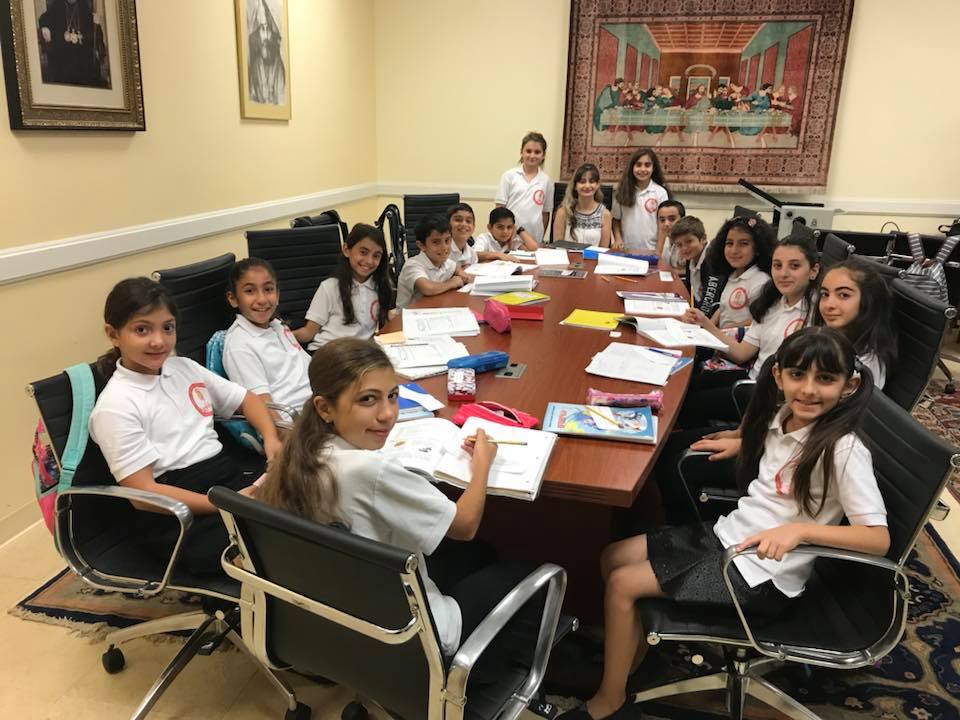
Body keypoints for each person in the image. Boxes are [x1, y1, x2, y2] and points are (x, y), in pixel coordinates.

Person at [560, 328, 889, 720]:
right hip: (730, 536)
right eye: (798, 375)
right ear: (778, 375)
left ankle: (610, 700)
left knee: (622, 583)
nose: (808, 389)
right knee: (613, 556)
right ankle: (632, 659)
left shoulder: (843, 449)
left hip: (762, 577)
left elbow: (877, 538)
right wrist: (742, 443)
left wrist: (799, 530)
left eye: (826, 378)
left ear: (849, 385)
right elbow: (780, 460)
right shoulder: (785, 416)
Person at [257, 338, 543, 675]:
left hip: (347, 618)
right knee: (526, 570)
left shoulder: (298, 453)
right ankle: (498, 675)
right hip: (415, 640)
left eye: (392, 396)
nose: (388, 414)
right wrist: (482, 464)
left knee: (478, 555)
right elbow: (464, 526)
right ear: (325, 409)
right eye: (367, 400)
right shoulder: (368, 471)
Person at [89, 278, 281, 576]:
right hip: (178, 515)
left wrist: (271, 439)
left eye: (168, 328)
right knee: (274, 553)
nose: (159, 341)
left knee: (312, 500)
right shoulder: (116, 405)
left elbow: (248, 400)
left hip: (226, 480)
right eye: (142, 330)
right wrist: (223, 504)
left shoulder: (183, 368)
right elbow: (143, 494)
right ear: (114, 334)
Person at [679, 236, 820, 426]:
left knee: (688, 405)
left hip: (769, 396)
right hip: (752, 379)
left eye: (794, 266)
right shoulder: (772, 303)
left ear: (813, 271)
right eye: (777, 266)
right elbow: (741, 353)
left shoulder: (818, 313)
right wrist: (705, 322)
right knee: (686, 386)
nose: (783, 273)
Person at [222, 258, 311, 413]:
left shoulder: (278, 326)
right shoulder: (239, 345)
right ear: (233, 299)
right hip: (295, 419)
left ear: (278, 294)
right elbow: (263, 408)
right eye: (250, 291)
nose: (262, 299)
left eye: (268, 289)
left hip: (318, 403)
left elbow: (307, 366)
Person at [295, 224, 393, 351]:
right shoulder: (329, 287)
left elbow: (383, 326)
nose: (369, 261)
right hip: (327, 351)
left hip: (360, 353)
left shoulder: (380, 287)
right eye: (363, 252)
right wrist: (280, 335)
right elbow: (308, 332)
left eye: (376, 255)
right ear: (346, 250)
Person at [813, 258, 896, 390]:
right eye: (825, 294)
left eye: (844, 295)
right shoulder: (832, 341)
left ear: (868, 302)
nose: (829, 305)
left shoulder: (863, 368)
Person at [699, 216, 775, 328]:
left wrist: (721, 331)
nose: (734, 250)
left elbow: (758, 321)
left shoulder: (760, 282)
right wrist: (707, 325)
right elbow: (724, 307)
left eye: (743, 243)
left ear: (758, 248)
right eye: (729, 243)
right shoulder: (734, 274)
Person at [395, 215, 469, 309]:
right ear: (421, 245)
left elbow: (455, 267)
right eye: (436, 242)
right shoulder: (412, 265)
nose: (444, 247)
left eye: (447, 240)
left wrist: (461, 273)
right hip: (409, 314)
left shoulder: (445, 262)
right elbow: (428, 288)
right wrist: (452, 283)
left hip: (434, 308)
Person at [496, 132, 553, 245]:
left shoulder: (546, 181)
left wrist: (540, 237)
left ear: (543, 155)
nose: (532, 155)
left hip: (534, 238)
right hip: (510, 237)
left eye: (537, 152)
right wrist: (502, 233)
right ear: (521, 152)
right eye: (528, 151)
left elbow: (545, 213)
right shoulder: (509, 176)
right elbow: (500, 209)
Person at [37, 0, 108, 87]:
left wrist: (96, 23)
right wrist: (45, 27)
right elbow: (44, 18)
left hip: (82, 55)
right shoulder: (57, 6)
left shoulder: (83, 6)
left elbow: (95, 32)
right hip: (63, 54)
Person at [611, 148, 670, 253]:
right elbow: (616, 220)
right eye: (638, 165)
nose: (642, 169)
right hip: (627, 250)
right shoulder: (622, 191)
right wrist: (618, 239)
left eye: (647, 165)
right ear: (632, 167)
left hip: (653, 250)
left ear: (653, 168)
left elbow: (663, 225)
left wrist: (658, 251)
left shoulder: (661, 193)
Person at [552, 163, 612, 247]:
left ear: (598, 185)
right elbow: (557, 248)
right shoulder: (563, 212)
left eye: (591, 181)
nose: (587, 186)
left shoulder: (605, 214)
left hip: (592, 256)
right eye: (582, 182)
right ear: (575, 186)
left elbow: (602, 251)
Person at [247, 0, 285, 105]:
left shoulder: (275, 38)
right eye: (263, 26)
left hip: (273, 74)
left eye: (267, 26)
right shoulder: (253, 39)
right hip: (260, 79)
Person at [668, 216, 708, 303]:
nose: (684, 248)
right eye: (679, 245)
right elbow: (690, 289)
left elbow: (709, 301)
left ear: (703, 239)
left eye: (689, 241)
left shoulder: (712, 261)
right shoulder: (691, 257)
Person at [653, 199, 686, 266]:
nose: (666, 224)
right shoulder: (662, 240)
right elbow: (655, 264)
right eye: (662, 220)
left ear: (683, 219)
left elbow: (686, 270)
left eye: (672, 219)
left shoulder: (688, 241)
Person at [447, 203, 479, 268]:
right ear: (448, 224)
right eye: (458, 220)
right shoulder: (442, 251)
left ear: (474, 227)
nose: (464, 224)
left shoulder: (472, 253)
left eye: (468, 221)